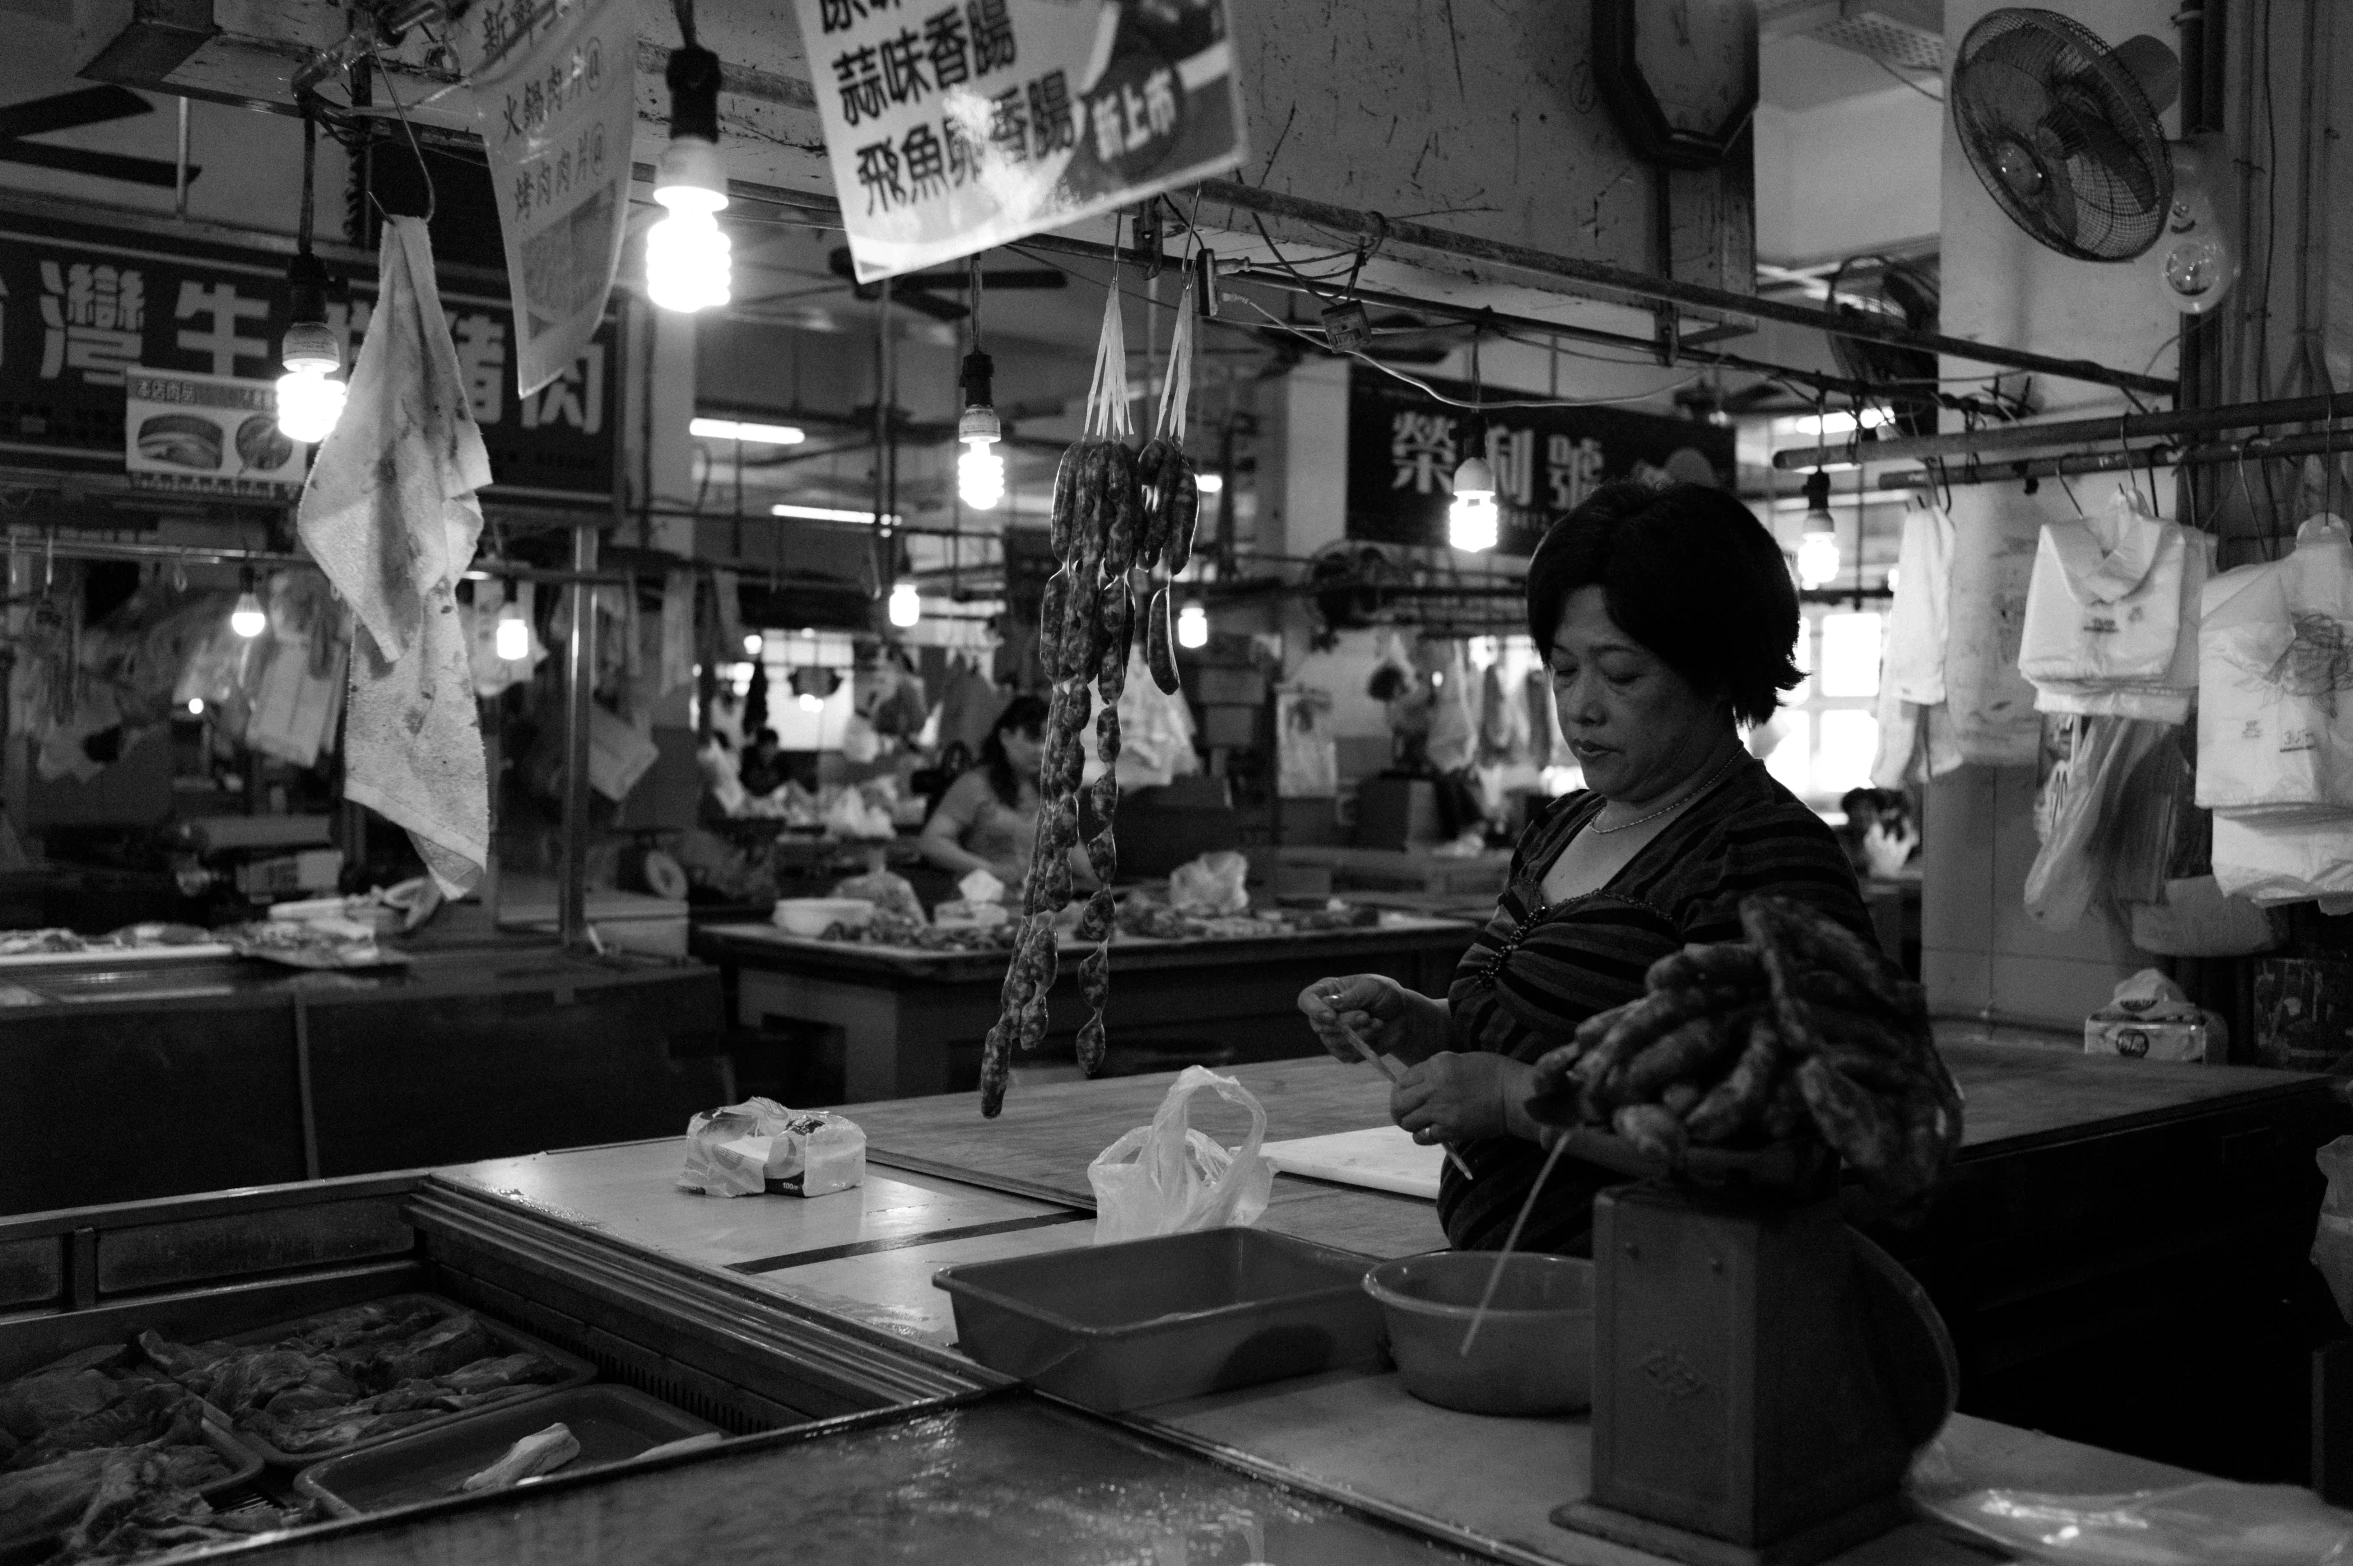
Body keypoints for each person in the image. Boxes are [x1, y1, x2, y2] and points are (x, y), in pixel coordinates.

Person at [1299, 481, 1876, 1256]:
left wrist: (1512, 1099)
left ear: (1715, 671)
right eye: (1563, 670)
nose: (1580, 708)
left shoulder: (1763, 858)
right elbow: (1552, 1032)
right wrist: (1418, 1021)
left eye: (1620, 673)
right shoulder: (1560, 827)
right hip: (1516, 1291)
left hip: (1666, 1317)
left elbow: (1783, 1147)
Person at [919, 696, 1097, 893]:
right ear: (1005, 737)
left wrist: (1098, 875)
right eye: (1032, 738)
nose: (1041, 750)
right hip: (981, 903)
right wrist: (989, 869)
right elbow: (932, 843)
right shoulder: (974, 784)